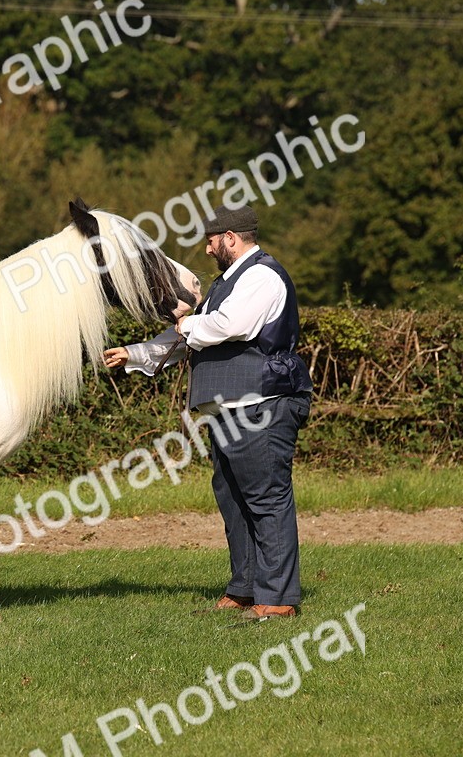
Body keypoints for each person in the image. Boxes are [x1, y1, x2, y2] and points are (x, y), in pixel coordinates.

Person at [103, 204, 313, 622]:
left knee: (267, 498)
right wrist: (135, 353)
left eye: (212, 240)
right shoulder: (226, 283)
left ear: (231, 238)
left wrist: (186, 324)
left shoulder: (260, 276)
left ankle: (279, 597)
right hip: (229, 409)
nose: (207, 249)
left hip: (261, 405)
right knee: (234, 499)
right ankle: (246, 587)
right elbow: (195, 336)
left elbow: (227, 327)